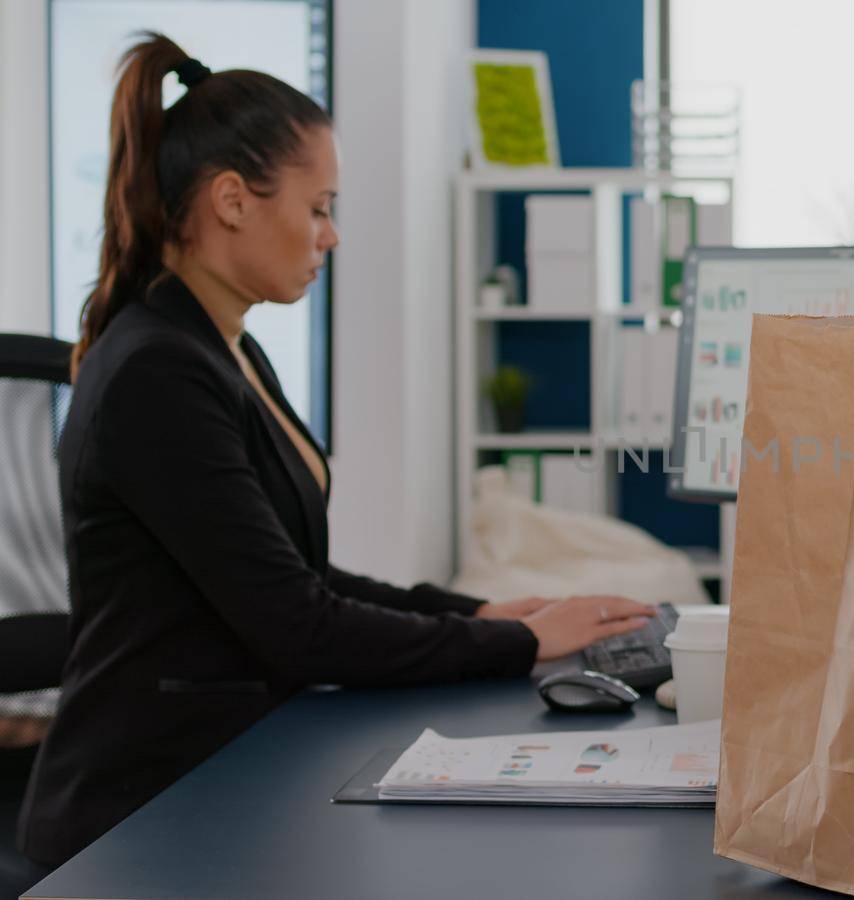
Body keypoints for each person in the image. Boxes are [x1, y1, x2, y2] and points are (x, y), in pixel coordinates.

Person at [18, 33, 655, 866]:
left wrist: (473, 613)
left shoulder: (225, 348)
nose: (332, 235)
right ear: (233, 201)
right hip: (144, 812)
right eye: (318, 207)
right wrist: (525, 644)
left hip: (226, 766)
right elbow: (300, 626)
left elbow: (292, 575)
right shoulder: (157, 374)